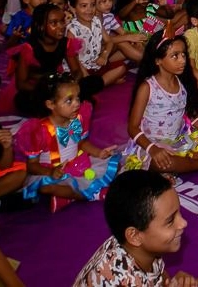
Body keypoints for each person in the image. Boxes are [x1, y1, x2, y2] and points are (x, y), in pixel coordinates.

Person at [74, 168, 198, 287]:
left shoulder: (137, 245)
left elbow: (157, 275)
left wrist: (171, 282)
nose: (183, 223)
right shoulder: (122, 279)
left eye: (178, 213)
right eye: (170, 221)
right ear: (134, 236)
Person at [123, 29, 198, 172]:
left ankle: (182, 165)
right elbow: (132, 127)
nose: (183, 60)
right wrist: (152, 149)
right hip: (152, 144)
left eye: (184, 54)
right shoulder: (147, 87)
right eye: (175, 56)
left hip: (179, 141)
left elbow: (191, 115)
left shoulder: (182, 82)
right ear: (158, 60)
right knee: (164, 162)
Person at [16, 73, 121, 212]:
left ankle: (69, 196)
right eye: (69, 100)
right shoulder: (39, 130)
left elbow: (82, 143)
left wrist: (99, 153)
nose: (77, 104)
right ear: (50, 104)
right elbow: (32, 166)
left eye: (77, 98)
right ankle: (93, 194)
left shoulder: (78, 119)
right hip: (54, 171)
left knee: (115, 163)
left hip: (78, 163)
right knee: (46, 187)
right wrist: (51, 171)